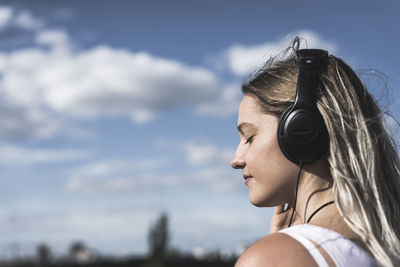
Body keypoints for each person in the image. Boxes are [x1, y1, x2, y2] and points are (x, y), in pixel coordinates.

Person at [230, 37, 400, 267]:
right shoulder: (386, 246)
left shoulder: (269, 259)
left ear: (301, 131)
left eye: (249, 138)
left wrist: (279, 252)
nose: (236, 161)